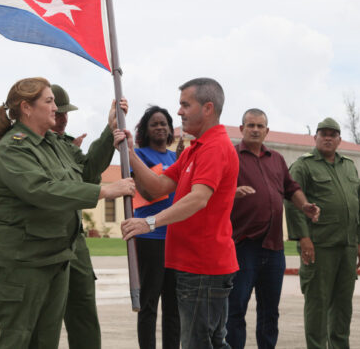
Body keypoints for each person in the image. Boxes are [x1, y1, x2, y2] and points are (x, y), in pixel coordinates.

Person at [0, 77, 134, 349]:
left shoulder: (53, 144)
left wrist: (111, 129)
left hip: (56, 256)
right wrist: (105, 192)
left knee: (45, 341)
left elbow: (86, 171)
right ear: (27, 108)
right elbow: (42, 191)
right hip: (23, 260)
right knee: (18, 338)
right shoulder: (13, 148)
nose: (56, 109)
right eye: (49, 102)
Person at [120, 77, 239, 349]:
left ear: (207, 108)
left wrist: (149, 222)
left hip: (203, 266)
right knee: (211, 342)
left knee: (198, 342)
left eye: (186, 105)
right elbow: (159, 185)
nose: (179, 112)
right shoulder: (192, 150)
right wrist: (131, 153)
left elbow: (198, 199)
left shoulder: (215, 147)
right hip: (192, 263)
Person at [226, 108, 319, 349]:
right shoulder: (230, 156)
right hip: (242, 246)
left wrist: (305, 205)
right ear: (241, 129)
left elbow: (291, 188)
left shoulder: (276, 159)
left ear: (267, 131)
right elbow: (213, 190)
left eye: (260, 126)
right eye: (250, 125)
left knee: (270, 313)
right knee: (235, 310)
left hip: (274, 248)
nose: (255, 130)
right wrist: (231, 194)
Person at [50, 83, 121, 349]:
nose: (63, 119)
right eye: (58, 113)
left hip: (74, 240)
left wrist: (110, 130)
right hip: (46, 240)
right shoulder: (26, 147)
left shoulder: (66, 146)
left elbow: (89, 173)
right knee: (46, 320)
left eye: (66, 113)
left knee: (84, 313)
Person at [285, 117, 360, 349]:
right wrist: (304, 238)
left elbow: (355, 207)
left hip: (347, 248)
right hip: (319, 247)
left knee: (342, 308)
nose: (328, 137)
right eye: (324, 133)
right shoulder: (304, 165)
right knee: (318, 307)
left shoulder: (348, 165)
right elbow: (292, 202)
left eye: (333, 134)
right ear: (315, 137)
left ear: (339, 139)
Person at [132, 106, 180, 349]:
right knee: (149, 302)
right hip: (150, 237)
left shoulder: (176, 159)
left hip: (176, 239)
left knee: (174, 304)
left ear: (171, 129)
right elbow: (148, 192)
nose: (160, 127)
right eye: (155, 124)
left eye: (164, 123)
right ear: (146, 130)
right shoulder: (138, 156)